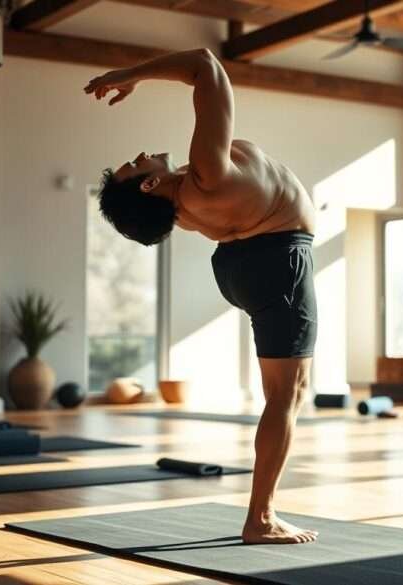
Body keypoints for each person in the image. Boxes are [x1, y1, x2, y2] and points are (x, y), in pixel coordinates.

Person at [85, 48, 318, 544]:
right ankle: (260, 519)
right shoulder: (206, 173)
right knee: (287, 395)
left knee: (284, 393)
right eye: (136, 163)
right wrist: (130, 73)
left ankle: (262, 514)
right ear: (150, 183)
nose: (144, 151)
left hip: (240, 266)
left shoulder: (185, 201)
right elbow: (206, 65)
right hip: (277, 261)